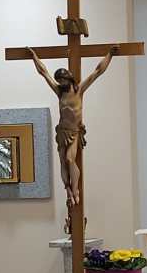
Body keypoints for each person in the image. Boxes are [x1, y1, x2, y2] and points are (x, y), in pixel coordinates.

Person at [28, 45, 117, 207]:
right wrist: (34, 57)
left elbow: (97, 72)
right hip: (62, 131)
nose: (61, 83)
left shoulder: (79, 90)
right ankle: (68, 190)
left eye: (63, 80)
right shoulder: (59, 91)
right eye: (59, 81)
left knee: (70, 159)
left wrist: (110, 54)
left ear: (69, 78)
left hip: (74, 132)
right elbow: (44, 73)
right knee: (63, 161)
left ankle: (75, 190)